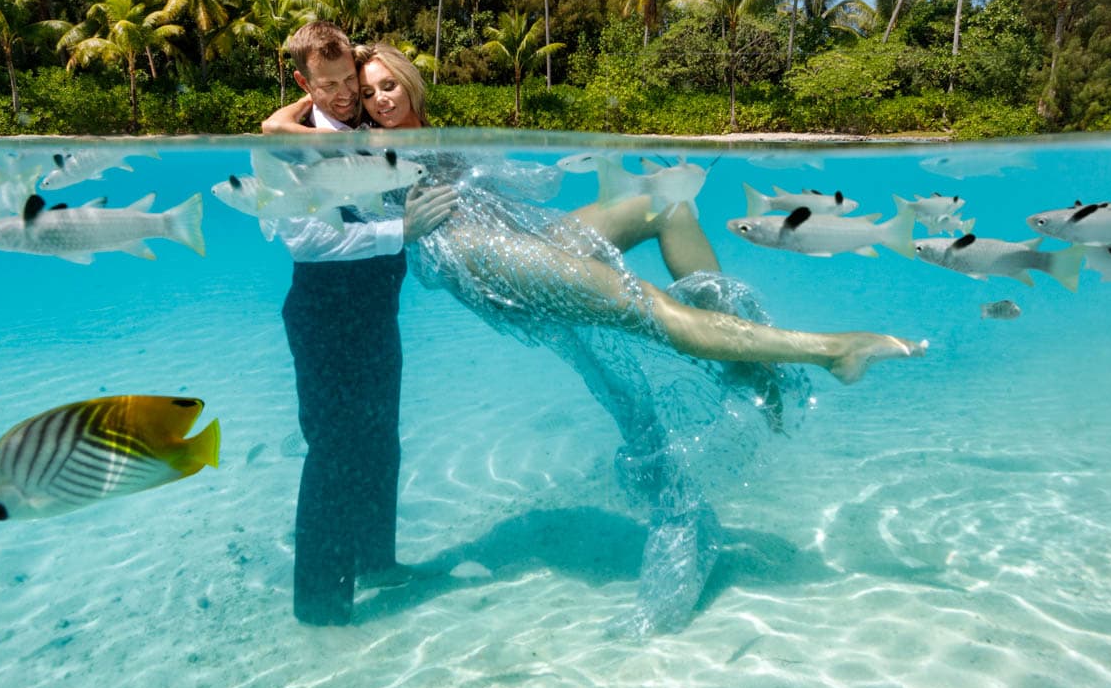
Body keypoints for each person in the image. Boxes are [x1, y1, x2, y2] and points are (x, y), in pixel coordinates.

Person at [266, 42, 927, 634]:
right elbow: (292, 143)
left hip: (524, 231)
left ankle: (743, 354)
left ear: (410, 83)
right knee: (658, 314)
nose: (376, 98)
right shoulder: (361, 148)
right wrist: (298, 111)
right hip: (485, 256)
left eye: (386, 84)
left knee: (666, 204)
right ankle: (833, 347)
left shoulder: (434, 137)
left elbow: (519, 177)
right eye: (366, 87)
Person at [262, 22, 454, 626]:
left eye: (351, 80)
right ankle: (320, 606)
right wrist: (402, 232)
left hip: (377, 310)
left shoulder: (371, 128)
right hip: (322, 316)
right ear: (303, 82)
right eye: (329, 85)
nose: (346, 95)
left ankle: (377, 563)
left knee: (380, 442)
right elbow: (307, 241)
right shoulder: (279, 148)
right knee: (334, 450)